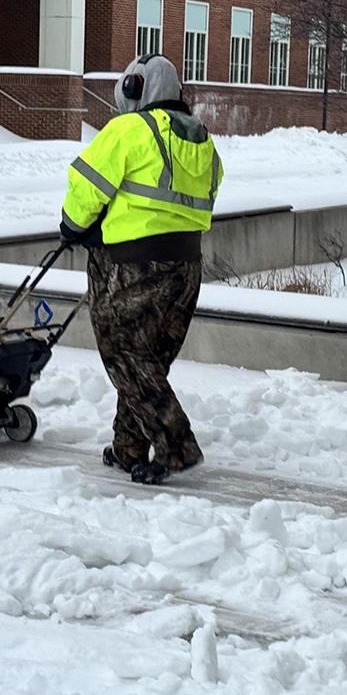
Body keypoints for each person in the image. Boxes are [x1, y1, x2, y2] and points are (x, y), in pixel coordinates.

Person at [58, 54, 222, 485]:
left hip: (135, 267)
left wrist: (74, 227)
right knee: (149, 360)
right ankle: (129, 445)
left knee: (125, 356)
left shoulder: (129, 129)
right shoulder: (202, 140)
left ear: (136, 88)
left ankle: (177, 448)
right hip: (186, 268)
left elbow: (87, 184)